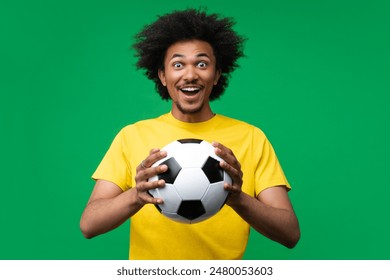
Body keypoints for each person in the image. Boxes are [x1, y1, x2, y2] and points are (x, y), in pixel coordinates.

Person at [80, 8, 300, 260]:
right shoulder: (132, 136)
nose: (190, 74)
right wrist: (137, 194)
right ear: (162, 75)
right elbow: (89, 224)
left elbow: (290, 233)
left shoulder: (251, 138)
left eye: (202, 63)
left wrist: (238, 199)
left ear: (216, 74)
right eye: (177, 64)